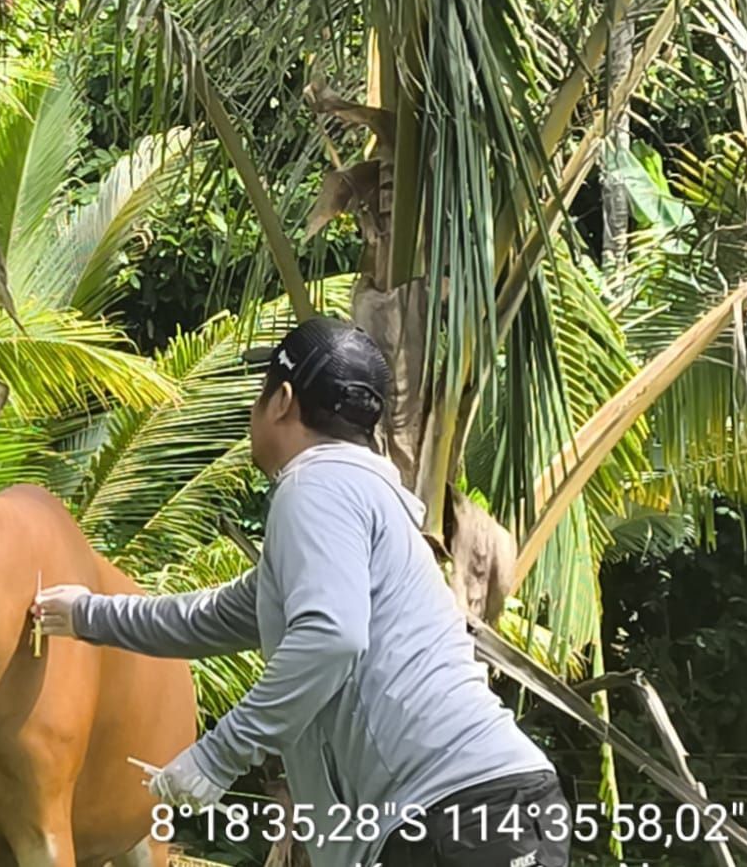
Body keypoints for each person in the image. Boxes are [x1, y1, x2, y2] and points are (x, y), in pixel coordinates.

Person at [33, 317, 571, 867]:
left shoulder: (316, 484)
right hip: (474, 814)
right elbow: (210, 617)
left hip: (461, 814)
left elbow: (332, 637)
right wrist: (83, 614)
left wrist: (219, 755)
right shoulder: (355, 495)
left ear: (282, 401)